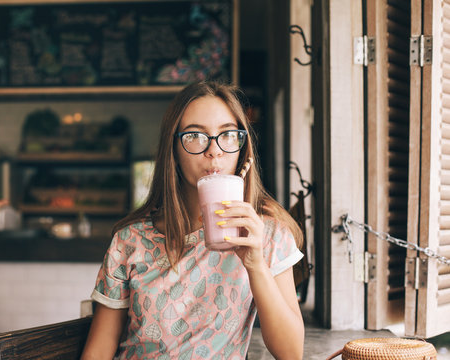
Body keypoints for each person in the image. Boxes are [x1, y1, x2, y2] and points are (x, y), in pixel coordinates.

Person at [80, 81, 305, 360]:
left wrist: (256, 264)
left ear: (241, 147)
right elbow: (99, 350)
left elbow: (291, 353)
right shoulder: (130, 241)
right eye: (195, 136)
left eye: (227, 135)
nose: (214, 151)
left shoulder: (266, 235)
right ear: (173, 150)